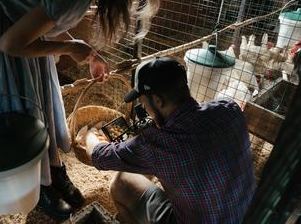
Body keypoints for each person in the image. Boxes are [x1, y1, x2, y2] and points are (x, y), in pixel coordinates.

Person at [0, 0, 171, 220]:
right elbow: (10, 44)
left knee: (40, 100)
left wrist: (85, 51)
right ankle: (39, 185)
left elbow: (45, 13)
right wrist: (71, 48)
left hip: (19, 25)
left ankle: (52, 170)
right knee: (22, 111)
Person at [83, 57, 256, 223]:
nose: (145, 109)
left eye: (144, 103)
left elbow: (98, 155)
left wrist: (89, 135)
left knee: (121, 183)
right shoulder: (230, 109)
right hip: (249, 215)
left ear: (158, 100)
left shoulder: (158, 145)